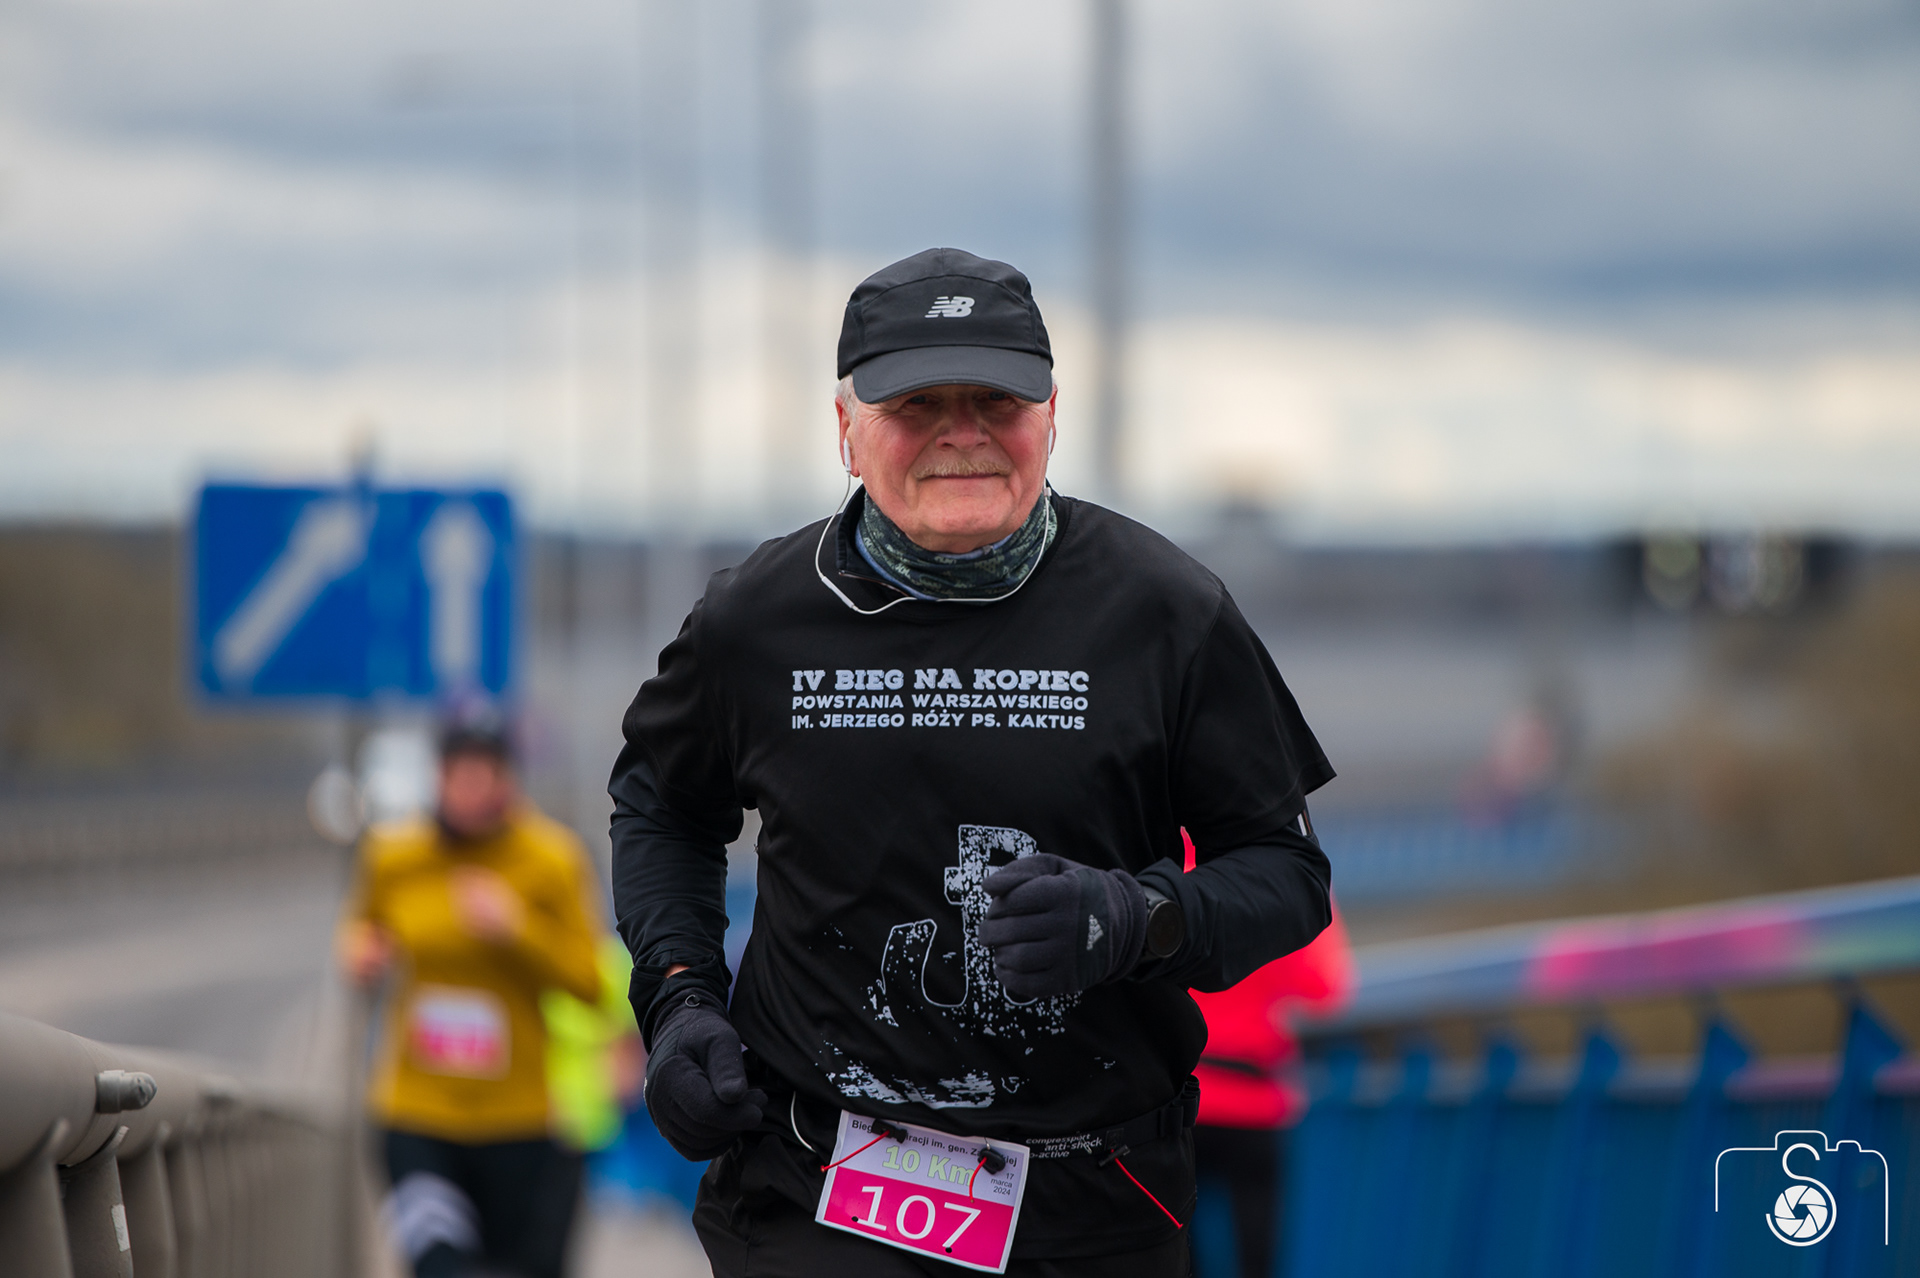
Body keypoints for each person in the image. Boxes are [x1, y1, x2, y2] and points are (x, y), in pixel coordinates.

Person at [610, 247, 1335, 1276]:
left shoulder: (1167, 612)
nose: (962, 434)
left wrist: (1135, 919)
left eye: (997, 401)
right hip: (819, 1189)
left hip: (1094, 1205)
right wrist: (680, 997)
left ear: (1052, 417)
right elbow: (662, 808)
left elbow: (1287, 873)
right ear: (846, 429)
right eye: (917, 404)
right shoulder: (755, 621)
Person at [339, 712, 602, 1278]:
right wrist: (360, 954)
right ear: (438, 777)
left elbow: (591, 984)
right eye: (459, 776)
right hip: (417, 1113)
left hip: (520, 1121)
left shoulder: (552, 859)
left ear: (510, 780)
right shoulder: (394, 856)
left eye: (487, 776)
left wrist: (518, 929)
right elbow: (362, 929)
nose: (472, 791)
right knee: (438, 1263)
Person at [1184, 826, 1353, 1278]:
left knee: (1178, 1253)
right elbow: (1326, 990)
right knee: (1258, 1257)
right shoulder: (1290, 876)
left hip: (1182, 1103)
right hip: (1257, 1101)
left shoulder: (1167, 867)